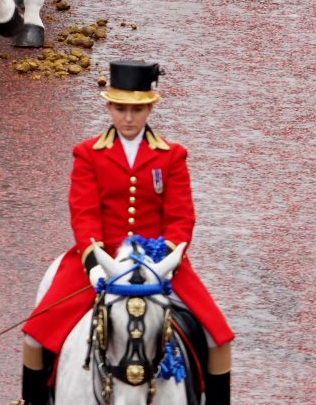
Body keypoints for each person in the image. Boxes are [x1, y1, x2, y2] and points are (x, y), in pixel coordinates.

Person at [19, 61, 234, 405]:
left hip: (159, 262)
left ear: (150, 106)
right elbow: (84, 215)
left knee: (217, 338)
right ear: (108, 107)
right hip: (99, 258)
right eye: (121, 109)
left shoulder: (172, 156)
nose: (129, 118)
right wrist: (94, 265)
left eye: (137, 109)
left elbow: (181, 219)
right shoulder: (88, 153)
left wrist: (164, 261)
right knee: (35, 335)